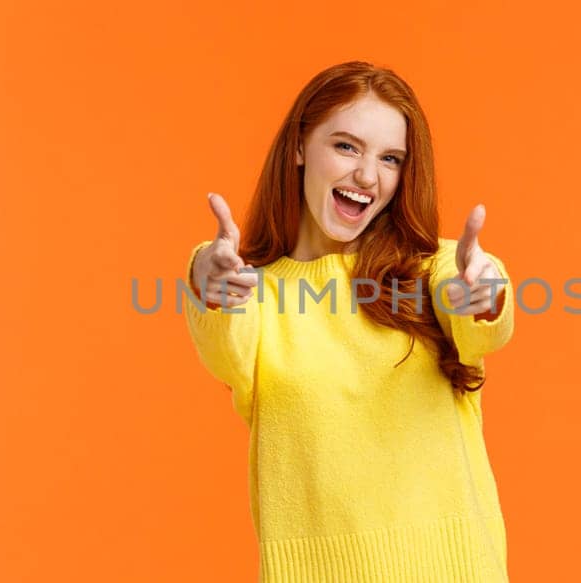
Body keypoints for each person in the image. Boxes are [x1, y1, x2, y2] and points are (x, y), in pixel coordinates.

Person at [185, 61, 515, 582]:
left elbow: (483, 315)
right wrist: (207, 277)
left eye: (390, 158)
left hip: (454, 568)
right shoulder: (256, 291)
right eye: (346, 146)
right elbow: (223, 345)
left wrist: (486, 293)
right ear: (298, 148)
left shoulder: (435, 270)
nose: (367, 176)